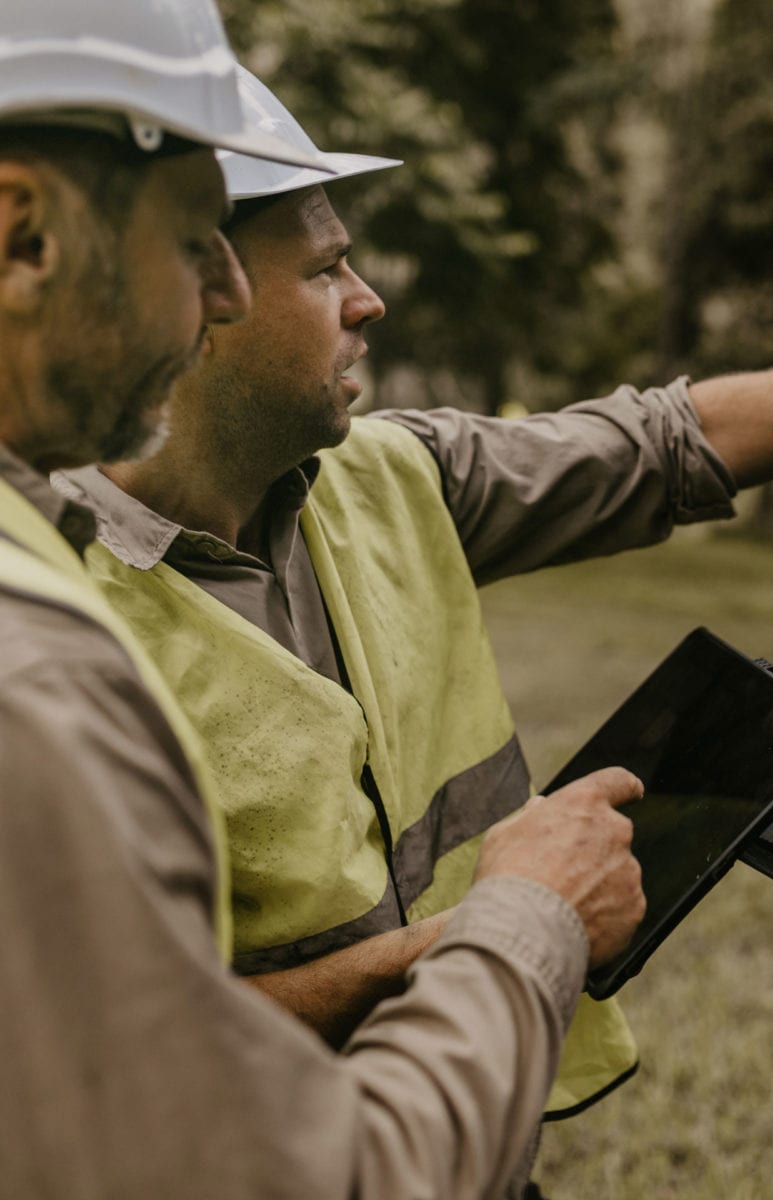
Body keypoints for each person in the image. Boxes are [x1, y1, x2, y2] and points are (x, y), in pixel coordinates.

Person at [57, 63, 773, 1125]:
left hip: (456, 1132)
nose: (369, 302)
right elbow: (94, 1055)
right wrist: (510, 923)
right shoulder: (47, 621)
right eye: (324, 270)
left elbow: (662, 444)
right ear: (191, 298)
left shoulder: (393, 476)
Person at [0, 5, 646, 1198]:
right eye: (194, 234)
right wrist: (525, 919)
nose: (226, 293)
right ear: (23, 235)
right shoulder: (35, 673)